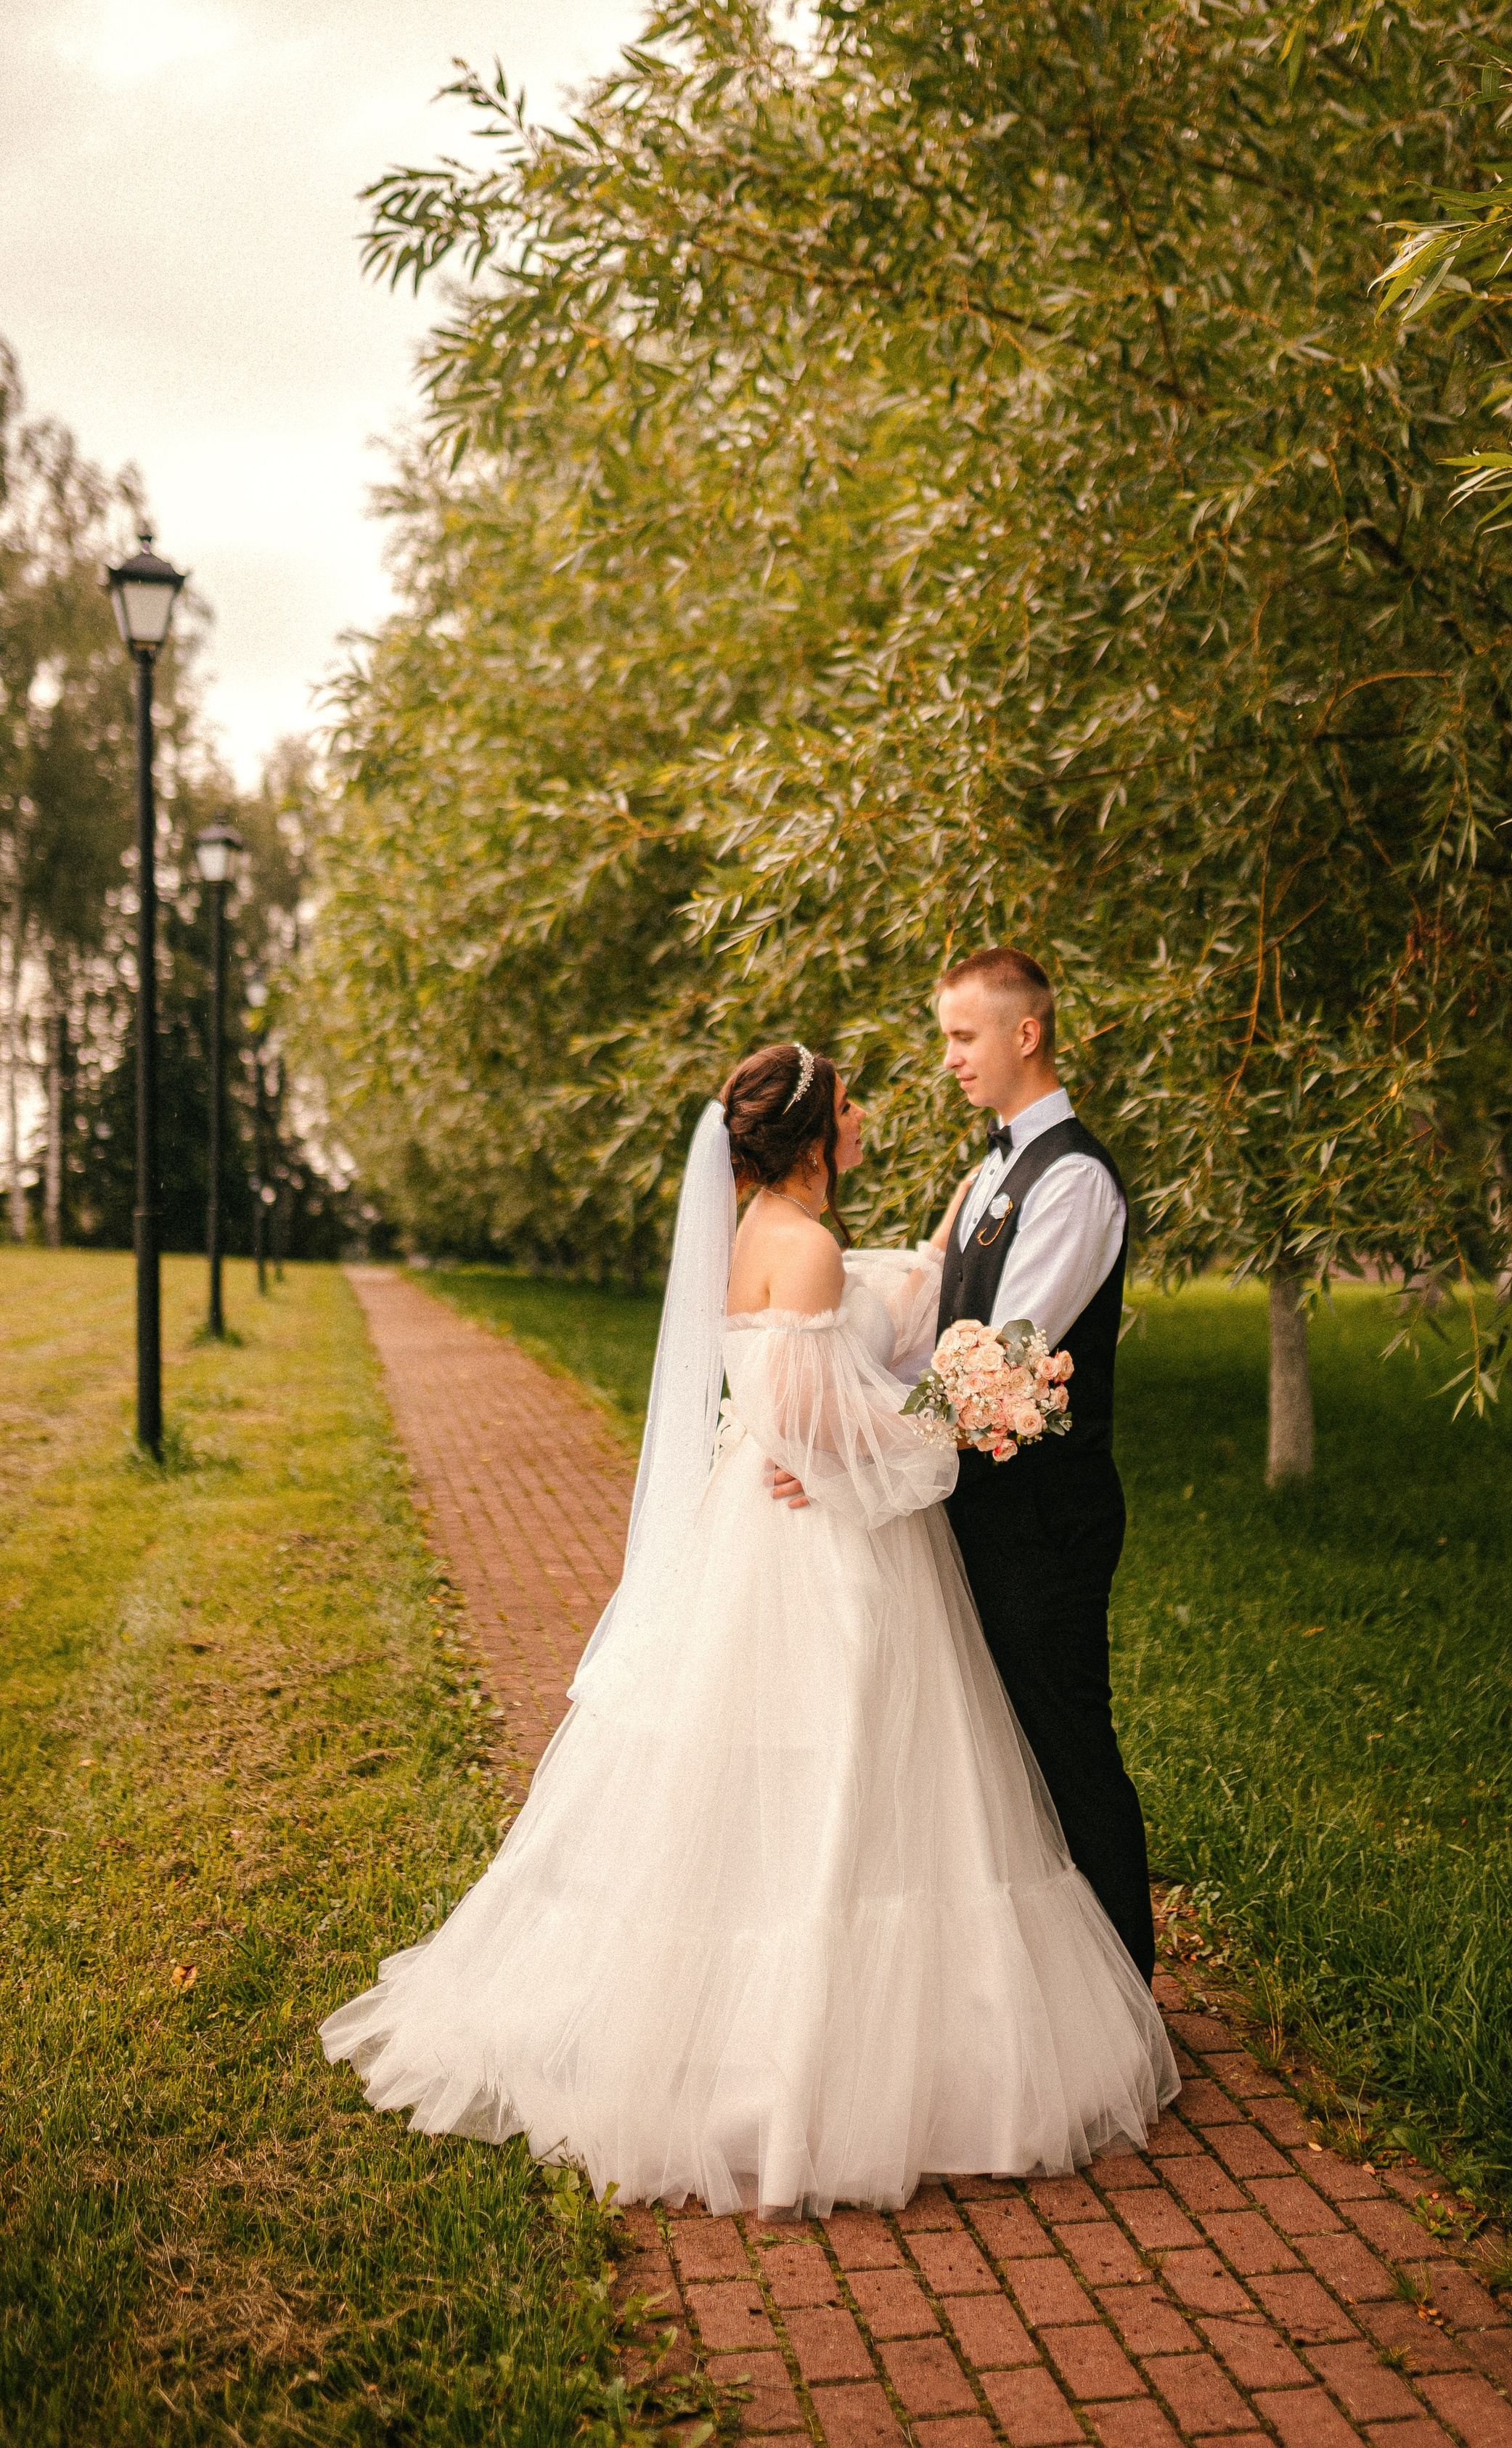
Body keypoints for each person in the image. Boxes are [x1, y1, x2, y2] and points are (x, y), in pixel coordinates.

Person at [321, 1042, 1176, 2219]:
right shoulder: (808, 1248)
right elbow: (820, 1415)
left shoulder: (769, 1234)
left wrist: (913, 1325)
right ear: (822, 1131)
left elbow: (844, 1343)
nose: (871, 1111)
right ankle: (825, 2051)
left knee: (799, 1767)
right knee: (858, 1755)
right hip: (826, 1549)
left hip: (769, 1522)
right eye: (856, 1100)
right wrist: (942, 1431)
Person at [770, 950, 1153, 1979]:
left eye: (963, 1036)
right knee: (999, 1758)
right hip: (969, 1507)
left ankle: (1123, 1984)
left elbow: (1007, 1359)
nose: (948, 1058)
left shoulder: (1071, 1180)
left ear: (1026, 1034)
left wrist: (860, 1454)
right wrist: (836, 1428)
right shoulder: (990, 1170)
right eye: (948, 1036)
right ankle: (1044, 1983)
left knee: (1066, 1748)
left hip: (1044, 1518)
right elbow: (937, 1332)